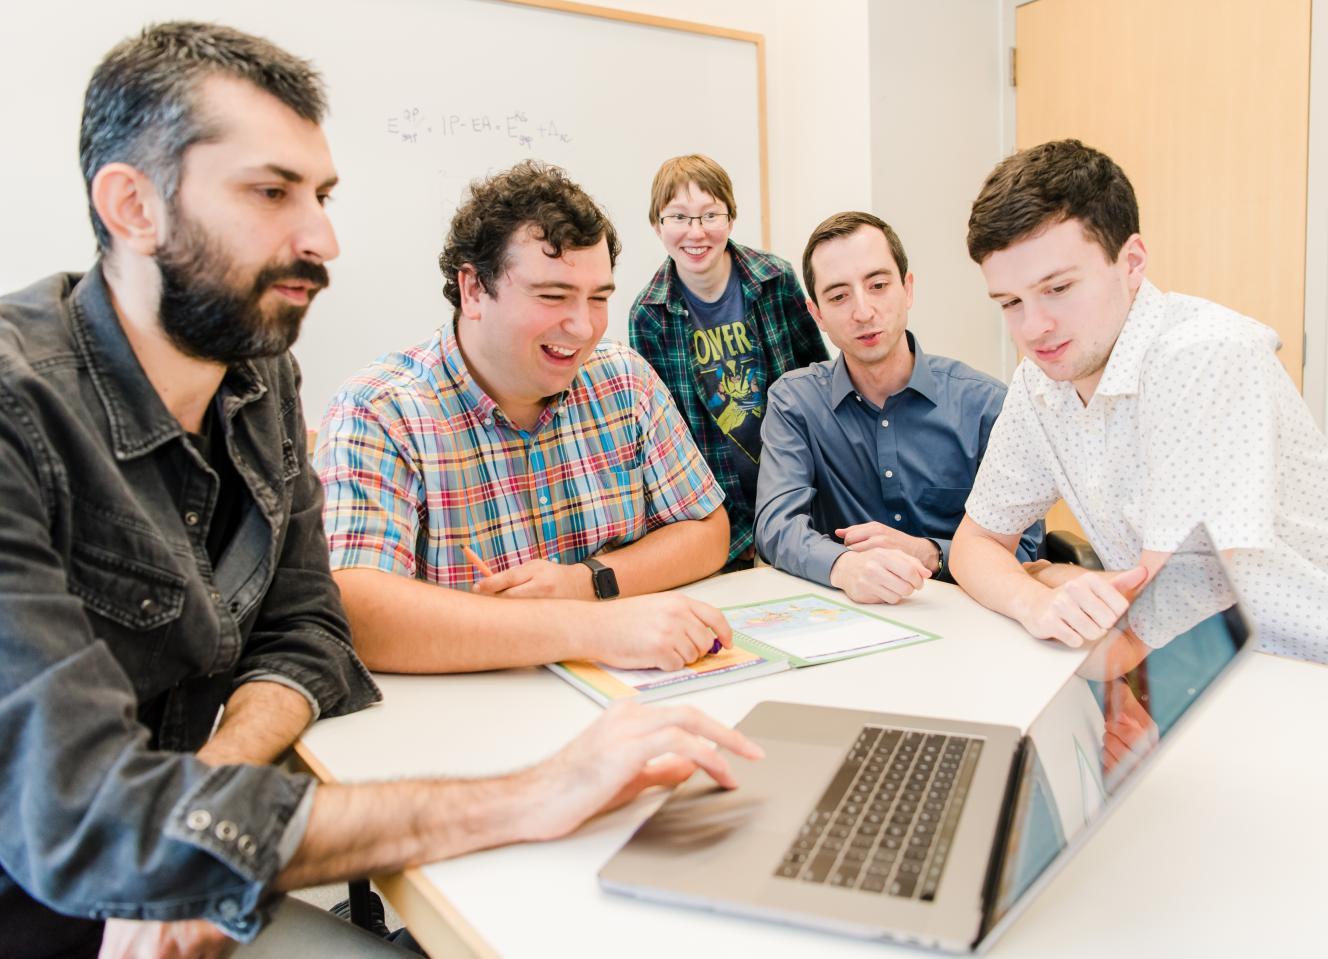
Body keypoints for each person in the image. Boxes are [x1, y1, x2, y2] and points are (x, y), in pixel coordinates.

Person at [0, 23, 760, 957]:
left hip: (193, 862)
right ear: (133, 206)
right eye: (272, 192)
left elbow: (307, 634)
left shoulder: (258, 381)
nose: (322, 237)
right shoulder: (17, 412)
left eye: (320, 195)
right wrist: (533, 792)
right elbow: (86, 822)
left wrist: (201, 819)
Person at [951, 138, 1328, 686]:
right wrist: (1031, 599)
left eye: (1058, 288)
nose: (1033, 328)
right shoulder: (1040, 382)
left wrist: (1051, 573)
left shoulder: (1205, 355)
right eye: (1010, 303)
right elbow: (973, 546)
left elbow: (1140, 627)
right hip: (1220, 683)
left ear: (1131, 262)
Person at [314, 161, 733, 674]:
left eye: (598, 298)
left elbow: (708, 530)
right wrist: (591, 627)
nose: (582, 327)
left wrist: (587, 581)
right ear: (473, 291)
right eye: (553, 296)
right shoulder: (380, 410)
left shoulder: (624, 380)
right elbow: (355, 609)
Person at [755, 212, 1043, 605]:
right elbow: (776, 527)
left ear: (907, 289)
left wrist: (931, 552)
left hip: (970, 620)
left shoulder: (985, 405)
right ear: (817, 314)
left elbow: (1027, 548)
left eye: (878, 285)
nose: (863, 311)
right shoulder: (796, 402)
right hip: (850, 620)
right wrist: (843, 566)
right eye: (839, 296)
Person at [628, 154, 830, 570]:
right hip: (717, 508)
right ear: (657, 225)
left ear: (731, 218)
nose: (695, 232)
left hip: (798, 489)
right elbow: (665, 436)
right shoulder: (649, 314)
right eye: (679, 217)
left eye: (710, 215)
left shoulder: (776, 280)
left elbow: (818, 380)